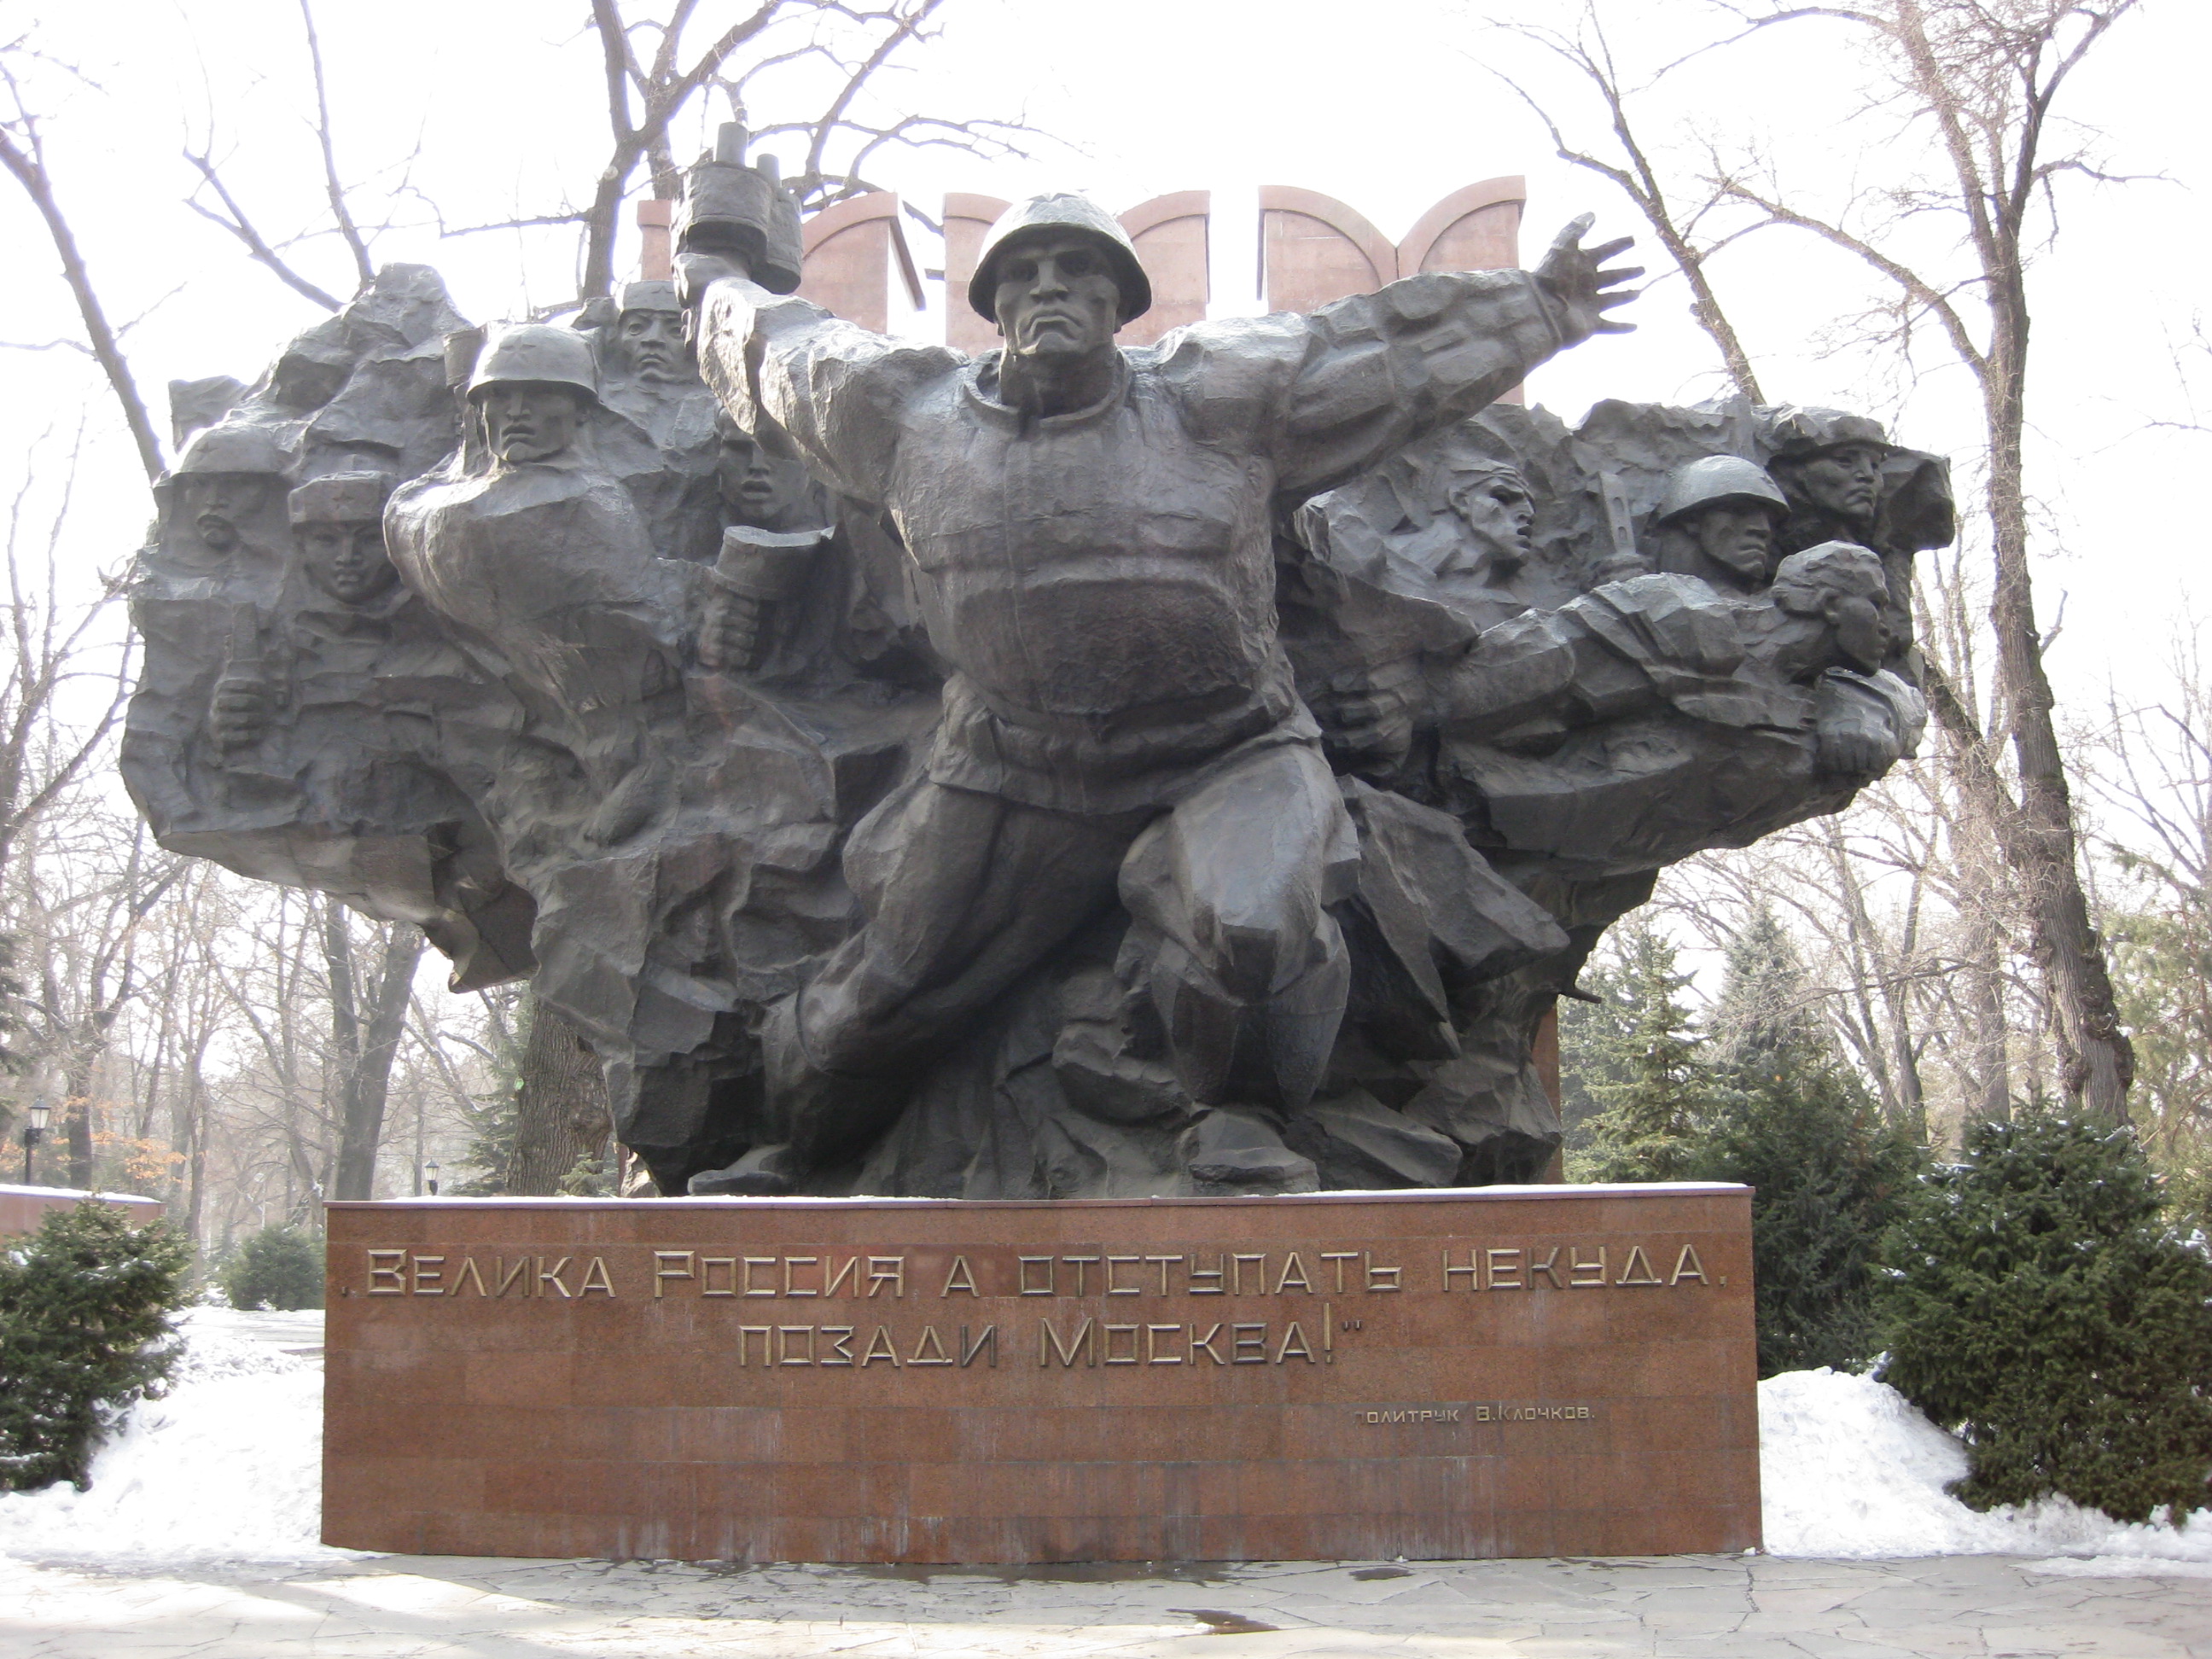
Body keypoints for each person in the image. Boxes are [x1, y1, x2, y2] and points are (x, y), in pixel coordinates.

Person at [678, 189, 1639, 1193]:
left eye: (1078, 269)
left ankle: (1244, 1120)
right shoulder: (899, 413)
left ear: (1121, 301)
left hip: (1227, 751)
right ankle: (804, 1153)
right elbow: (774, 351)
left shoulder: (1219, 397)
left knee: (1257, 923)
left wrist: (1539, 306)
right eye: (1024, 273)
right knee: (888, 986)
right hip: (1016, 763)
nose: (1050, 287)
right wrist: (710, 276)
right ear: (993, 304)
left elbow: (1385, 354)